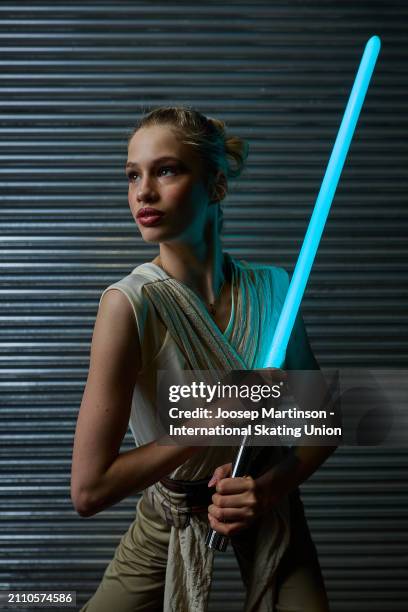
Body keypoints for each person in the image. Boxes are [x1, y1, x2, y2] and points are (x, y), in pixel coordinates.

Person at [71, 106, 335, 611]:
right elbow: (88, 490)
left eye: (165, 170)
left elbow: (325, 420)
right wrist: (211, 421)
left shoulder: (276, 288)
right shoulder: (129, 305)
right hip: (172, 511)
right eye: (133, 175)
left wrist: (270, 488)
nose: (142, 192)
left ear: (216, 185)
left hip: (264, 503)